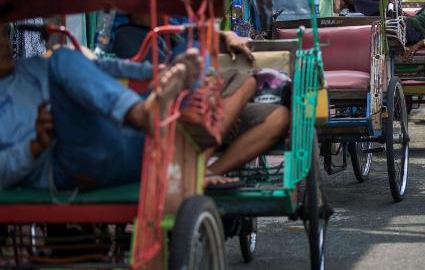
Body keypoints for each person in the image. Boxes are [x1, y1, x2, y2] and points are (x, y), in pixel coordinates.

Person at [0, 23, 201, 190]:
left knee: (194, 51)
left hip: (126, 140)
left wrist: (158, 72)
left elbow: (99, 68)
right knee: (62, 57)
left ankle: (149, 116)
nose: (4, 43)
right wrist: (34, 147)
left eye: (3, 33)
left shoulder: (31, 66)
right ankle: (142, 114)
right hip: (74, 163)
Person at [110, 20, 291, 188]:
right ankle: (196, 167)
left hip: (206, 104)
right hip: (175, 109)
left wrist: (222, 35)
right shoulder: (129, 35)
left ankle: (208, 173)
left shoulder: (186, 29)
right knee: (244, 82)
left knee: (279, 117)